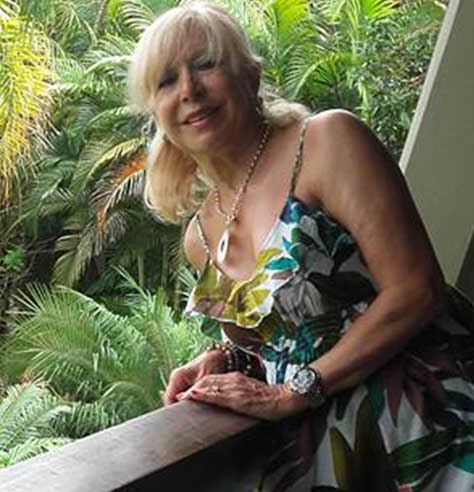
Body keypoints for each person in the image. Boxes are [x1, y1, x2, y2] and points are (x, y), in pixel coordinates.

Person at [127, 2, 474, 490]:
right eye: (167, 81)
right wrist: (228, 359)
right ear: (156, 111)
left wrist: (295, 392)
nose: (189, 90)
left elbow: (416, 290)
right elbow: (287, 340)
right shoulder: (200, 238)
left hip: (434, 426)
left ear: (250, 75)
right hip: (341, 462)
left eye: (205, 64)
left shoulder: (326, 143)